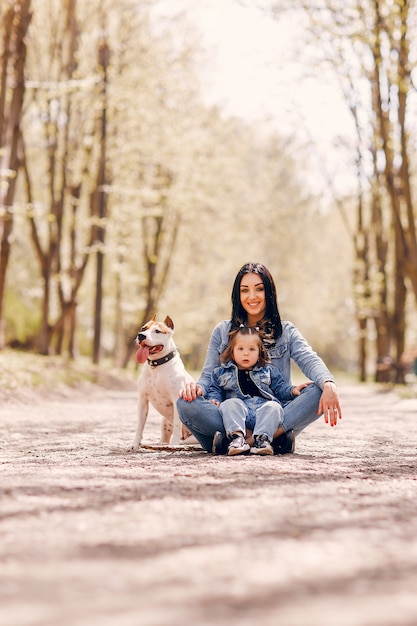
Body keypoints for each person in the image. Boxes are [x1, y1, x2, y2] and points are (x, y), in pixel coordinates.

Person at [177, 262, 342, 455]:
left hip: (271, 413)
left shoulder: (286, 332)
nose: (252, 296)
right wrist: (197, 389)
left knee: (318, 390)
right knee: (184, 403)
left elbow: (309, 359)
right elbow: (207, 377)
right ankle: (262, 438)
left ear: (269, 293)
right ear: (237, 295)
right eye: (245, 290)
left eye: (259, 289)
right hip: (230, 415)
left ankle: (254, 437)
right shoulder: (223, 331)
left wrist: (329, 383)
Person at [207, 326, 308, 456]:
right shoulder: (220, 373)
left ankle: (262, 440)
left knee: (274, 406)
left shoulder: (268, 370)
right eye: (240, 348)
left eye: (252, 349)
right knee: (230, 404)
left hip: (263, 411)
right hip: (240, 414)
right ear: (232, 351)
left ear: (259, 352)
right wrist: (214, 400)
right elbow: (214, 390)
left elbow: (280, 389)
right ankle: (237, 439)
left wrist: (293, 390)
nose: (246, 353)